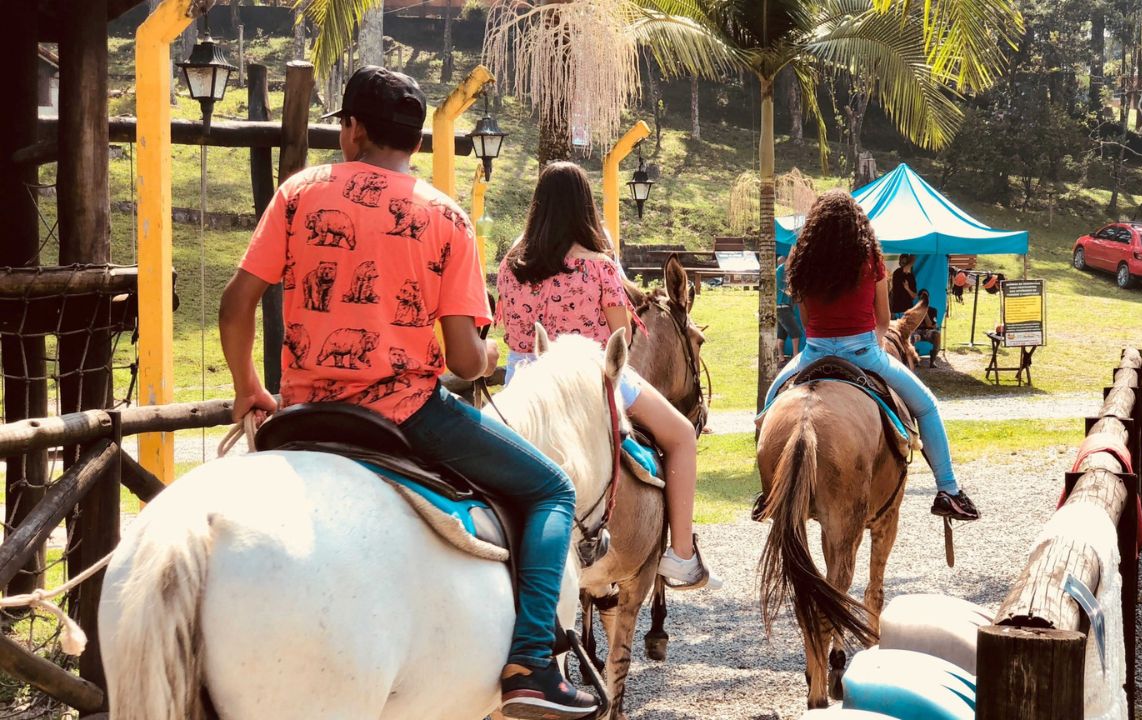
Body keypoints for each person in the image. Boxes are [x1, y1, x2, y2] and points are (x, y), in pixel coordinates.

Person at [219, 67, 597, 719]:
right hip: (404, 413)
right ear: (416, 145)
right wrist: (486, 356)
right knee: (553, 489)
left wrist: (249, 387)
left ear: (352, 131)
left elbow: (236, 304)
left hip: (304, 412)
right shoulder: (444, 217)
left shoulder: (299, 194)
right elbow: (462, 357)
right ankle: (533, 660)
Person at [497, 161, 722, 591]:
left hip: (526, 380)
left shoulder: (512, 264)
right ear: (585, 207)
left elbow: (511, 330)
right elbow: (621, 334)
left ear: (537, 206)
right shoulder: (600, 266)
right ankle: (681, 556)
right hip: (589, 377)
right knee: (680, 436)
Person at [762, 190, 980, 521]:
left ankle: (767, 492)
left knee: (768, 406)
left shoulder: (801, 259)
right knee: (926, 405)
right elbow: (882, 319)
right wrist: (869, 345)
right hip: (863, 353)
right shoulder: (869, 258)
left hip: (814, 353)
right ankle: (948, 490)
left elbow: (807, 323)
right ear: (855, 224)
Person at [775, 256, 805, 362]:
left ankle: (781, 358)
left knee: (781, 335)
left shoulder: (780, 277)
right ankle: (795, 356)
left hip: (780, 308)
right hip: (783, 307)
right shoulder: (780, 270)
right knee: (796, 333)